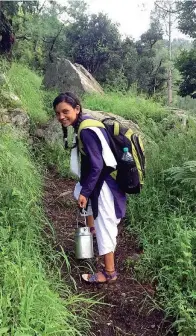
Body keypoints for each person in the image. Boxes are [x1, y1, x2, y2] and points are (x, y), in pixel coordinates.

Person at [53, 92, 126, 283]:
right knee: (81, 196)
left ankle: (109, 273)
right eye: (58, 113)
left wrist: (86, 191)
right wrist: (83, 190)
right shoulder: (85, 123)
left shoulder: (86, 130)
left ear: (77, 109)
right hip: (100, 181)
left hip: (103, 183)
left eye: (65, 111)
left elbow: (97, 165)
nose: (61, 116)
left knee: (105, 225)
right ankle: (92, 231)